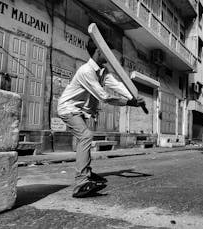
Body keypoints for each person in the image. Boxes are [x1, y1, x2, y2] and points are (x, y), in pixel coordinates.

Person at [58, 39, 145, 198]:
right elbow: (104, 97)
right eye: (106, 51)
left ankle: (87, 173)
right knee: (86, 136)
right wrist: (129, 102)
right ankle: (80, 183)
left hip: (78, 110)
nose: (109, 55)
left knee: (84, 139)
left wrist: (134, 96)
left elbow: (117, 85)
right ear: (98, 51)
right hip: (67, 108)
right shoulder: (86, 71)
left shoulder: (102, 71)